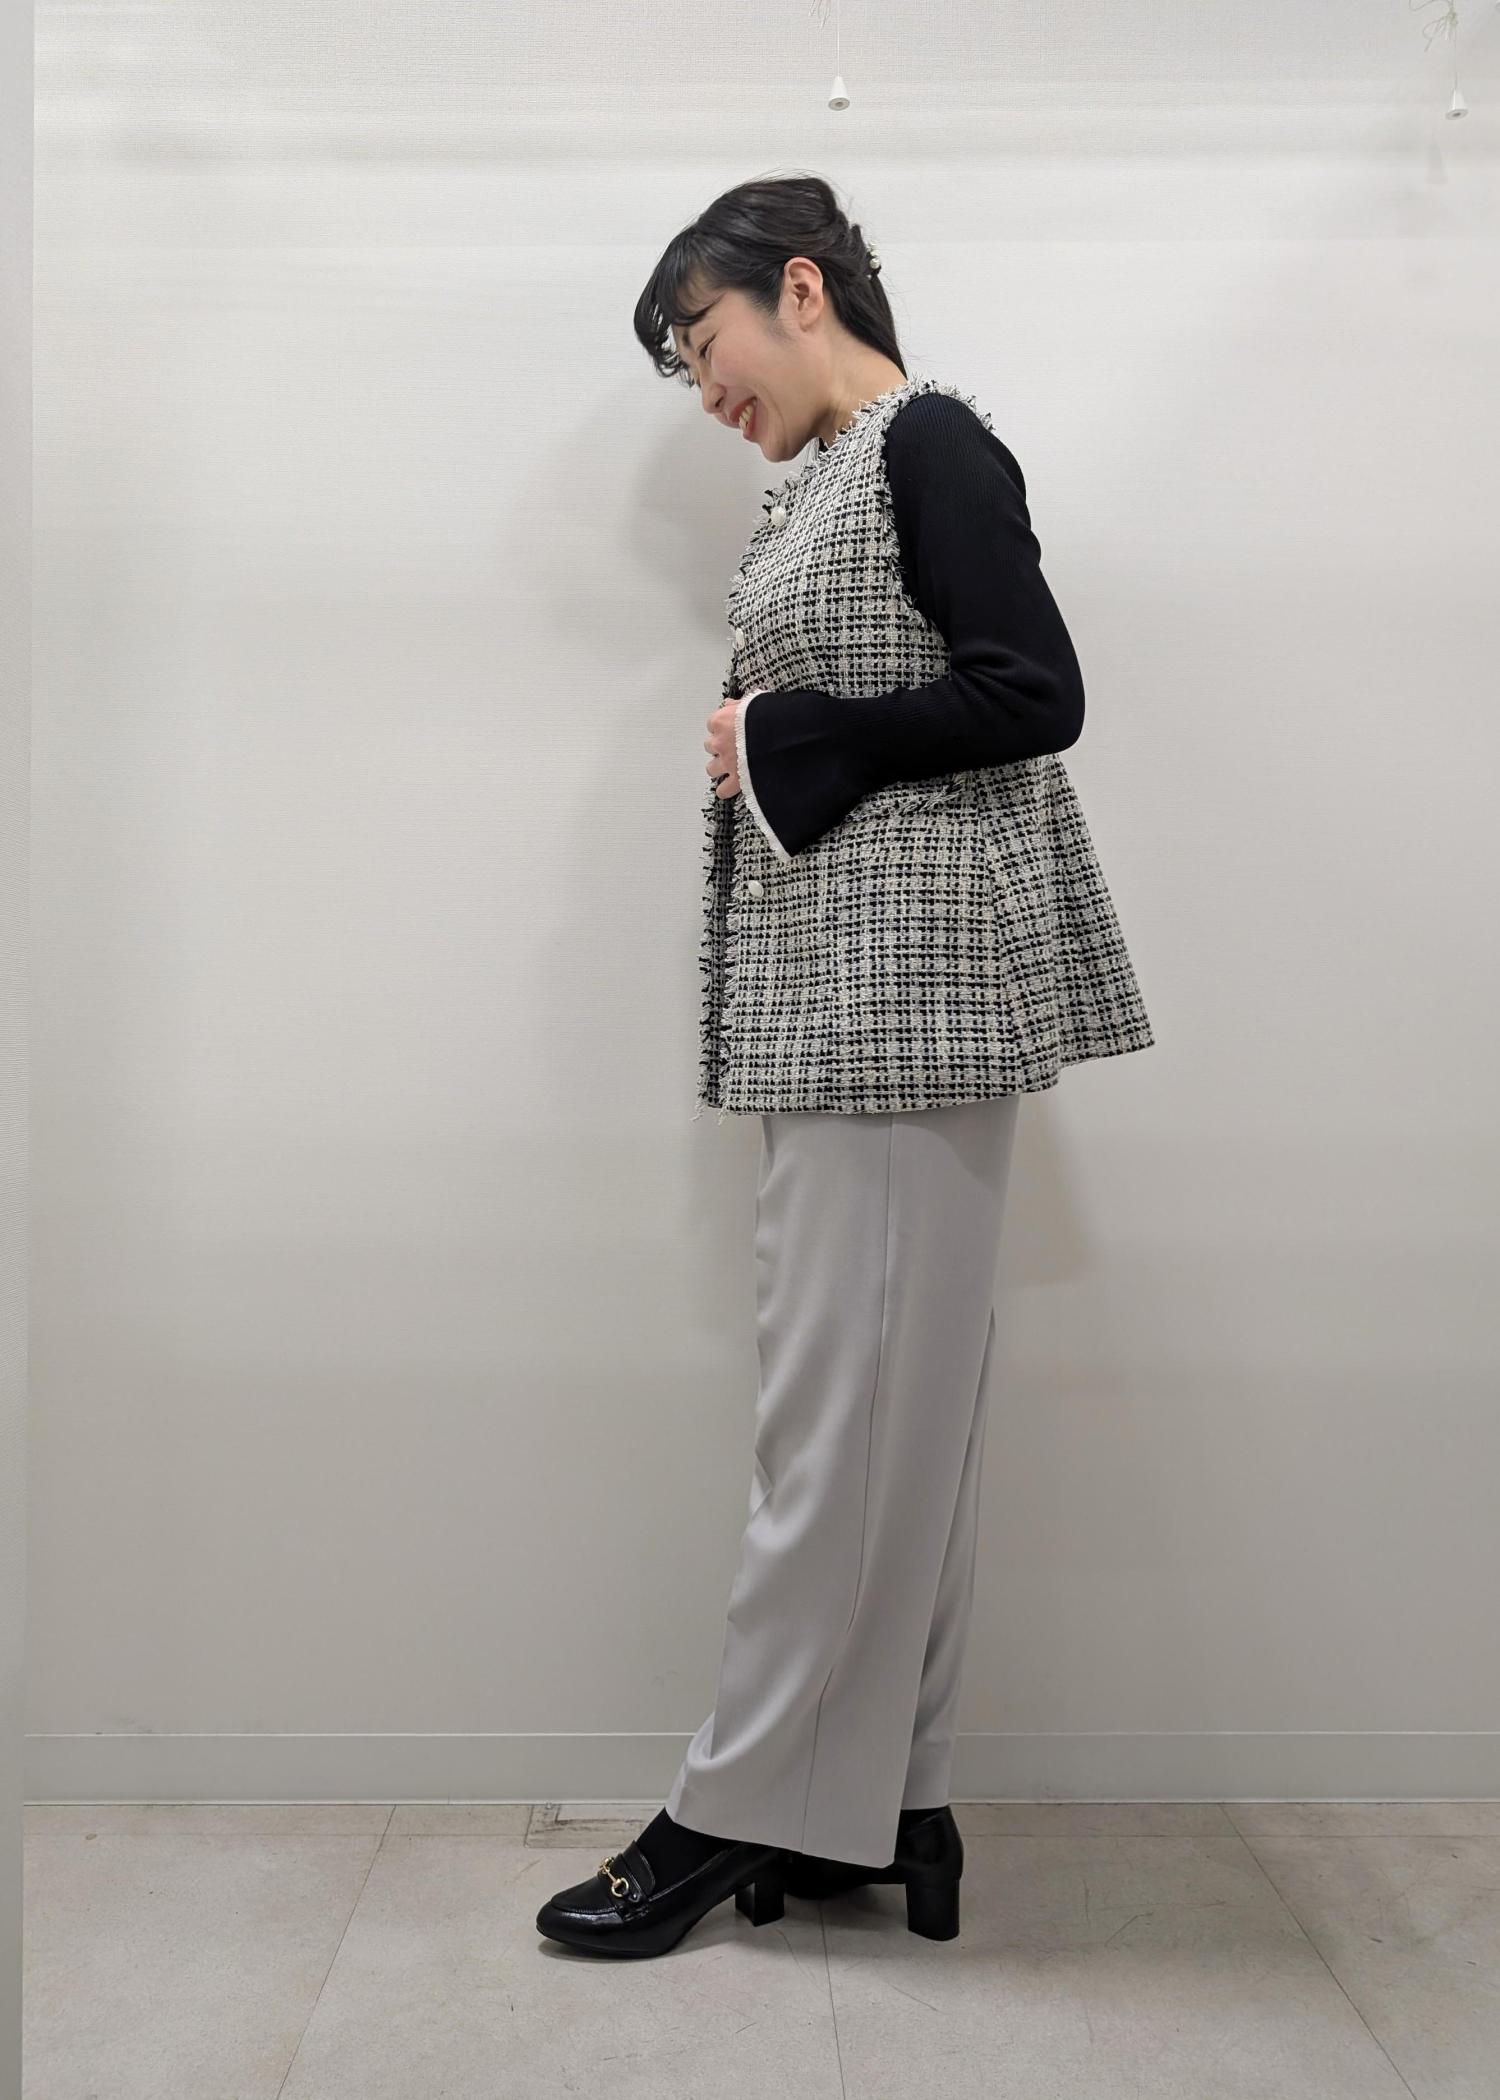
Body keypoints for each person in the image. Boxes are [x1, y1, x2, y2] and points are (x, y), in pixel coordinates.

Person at [535, 173, 1155, 1961]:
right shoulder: (827, 476)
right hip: (857, 1002)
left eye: (703, 340)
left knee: (835, 1432)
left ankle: (726, 1808)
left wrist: (785, 731)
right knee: (895, 1434)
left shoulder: (929, 444)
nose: (702, 387)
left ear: (799, 290)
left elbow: (1033, 688)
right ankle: (891, 1799)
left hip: (907, 1008)